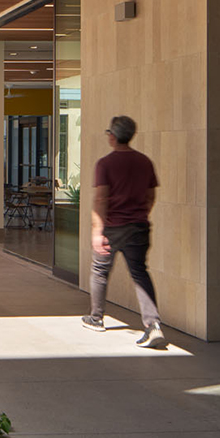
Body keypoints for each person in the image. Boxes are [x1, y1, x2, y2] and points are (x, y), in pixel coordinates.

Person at [82, 116, 167, 349]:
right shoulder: (145, 162)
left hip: (113, 227)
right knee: (140, 273)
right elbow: (151, 196)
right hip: (139, 226)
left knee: (100, 270)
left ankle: (96, 318)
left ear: (112, 136)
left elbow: (101, 198)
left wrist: (97, 232)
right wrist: (141, 214)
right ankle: (153, 325)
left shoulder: (105, 164)